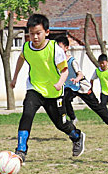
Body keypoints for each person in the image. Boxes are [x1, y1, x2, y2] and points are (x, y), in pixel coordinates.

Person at [10, 14, 86, 164]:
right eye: (31, 34)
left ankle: (77, 136)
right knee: (27, 114)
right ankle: (21, 150)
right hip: (35, 88)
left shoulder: (54, 49)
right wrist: (15, 78)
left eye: (38, 33)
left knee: (60, 124)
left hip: (54, 92)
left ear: (47, 32)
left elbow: (64, 71)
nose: (35, 37)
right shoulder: (26, 47)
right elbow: (21, 58)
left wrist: (59, 83)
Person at [55, 35, 108, 138]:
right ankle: (73, 119)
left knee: (97, 107)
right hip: (69, 87)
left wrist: (77, 79)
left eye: (60, 47)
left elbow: (80, 74)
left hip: (82, 86)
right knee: (64, 100)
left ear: (66, 48)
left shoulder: (71, 60)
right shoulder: (57, 62)